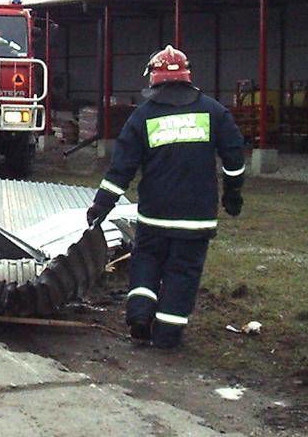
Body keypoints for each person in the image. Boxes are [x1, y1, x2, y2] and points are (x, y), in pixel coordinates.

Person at [87, 45, 245, 349]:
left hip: (154, 215)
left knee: (146, 261)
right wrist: (233, 193)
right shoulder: (214, 111)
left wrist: (100, 206)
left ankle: (140, 315)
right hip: (197, 217)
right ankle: (168, 335)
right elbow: (234, 155)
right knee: (182, 272)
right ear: (187, 76)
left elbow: (121, 169)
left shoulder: (141, 117)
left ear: (153, 78)